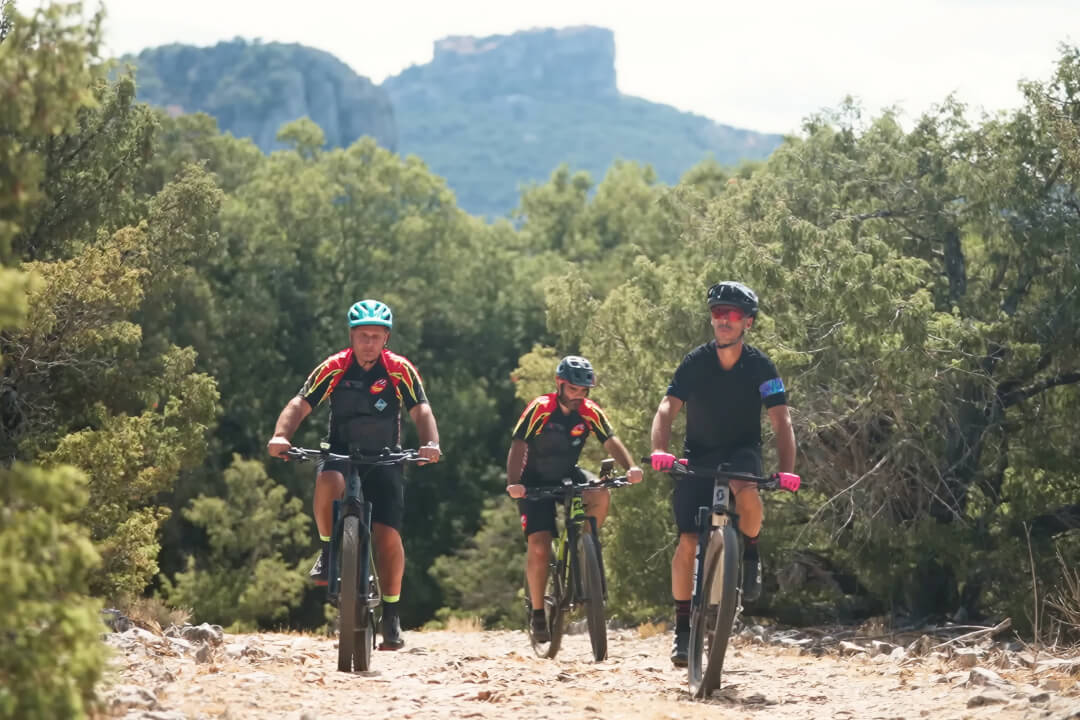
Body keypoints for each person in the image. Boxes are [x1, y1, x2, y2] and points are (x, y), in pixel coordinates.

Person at [267, 299, 441, 651]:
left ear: (385, 339)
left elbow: (421, 409)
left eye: (376, 337)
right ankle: (330, 550)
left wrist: (430, 443)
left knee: (388, 536)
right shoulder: (334, 367)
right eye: (363, 336)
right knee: (328, 480)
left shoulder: (399, 369)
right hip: (342, 452)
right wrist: (282, 435)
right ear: (352, 336)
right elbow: (300, 403)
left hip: (385, 457)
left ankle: (391, 616)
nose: (369, 343)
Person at [649, 281, 795, 667]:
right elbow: (667, 408)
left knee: (746, 488)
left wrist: (788, 471)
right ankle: (682, 632)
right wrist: (660, 451)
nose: (724, 320)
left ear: (748, 321)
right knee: (686, 542)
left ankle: (749, 553)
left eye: (732, 314)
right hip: (698, 455)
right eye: (717, 312)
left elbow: (781, 421)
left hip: (742, 453)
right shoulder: (695, 362)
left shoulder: (761, 366)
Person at [506, 355, 643, 643]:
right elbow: (518, 444)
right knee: (540, 545)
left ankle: (585, 543)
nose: (578, 396)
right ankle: (539, 612)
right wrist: (515, 483)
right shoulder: (541, 408)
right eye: (573, 390)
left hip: (568, 474)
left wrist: (630, 467)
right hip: (534, 482)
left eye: (584, 391)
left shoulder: (590, 411)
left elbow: (610, 440)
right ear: (559, 384)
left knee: (600, 490)